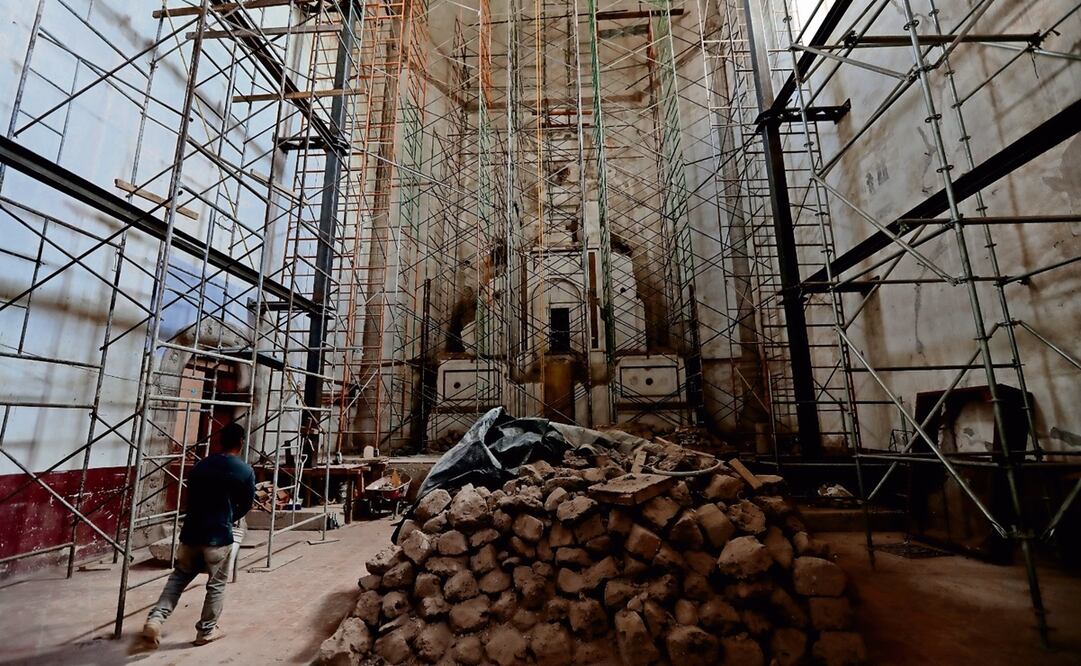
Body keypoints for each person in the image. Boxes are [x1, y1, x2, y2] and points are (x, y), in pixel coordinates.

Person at [142, 421, 256, 648]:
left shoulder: (201, 466)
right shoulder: (244, 471)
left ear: (219, 441)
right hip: (218, 535)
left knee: (178, 578)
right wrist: (230, 516)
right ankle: (205, 631)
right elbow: (246, 504)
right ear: (241, 443)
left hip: (191, 532)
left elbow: (189, 497)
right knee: (216, 584)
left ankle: (156, 618)